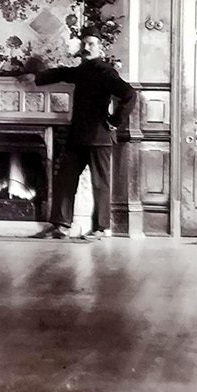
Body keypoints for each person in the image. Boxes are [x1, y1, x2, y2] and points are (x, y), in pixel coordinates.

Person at [30, 35, 134, 241]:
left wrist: (115, 121)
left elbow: (129, 93)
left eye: (91, 44)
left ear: (100, 47)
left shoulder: (105, 71)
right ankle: (61, 226)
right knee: (65, 181)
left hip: (99, 137)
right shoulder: (82, 71)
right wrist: (36, 78)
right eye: (84, 44)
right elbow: (62, 72)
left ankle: (101, 228)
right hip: (77, 135)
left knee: (100, 184)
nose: (87, 48)